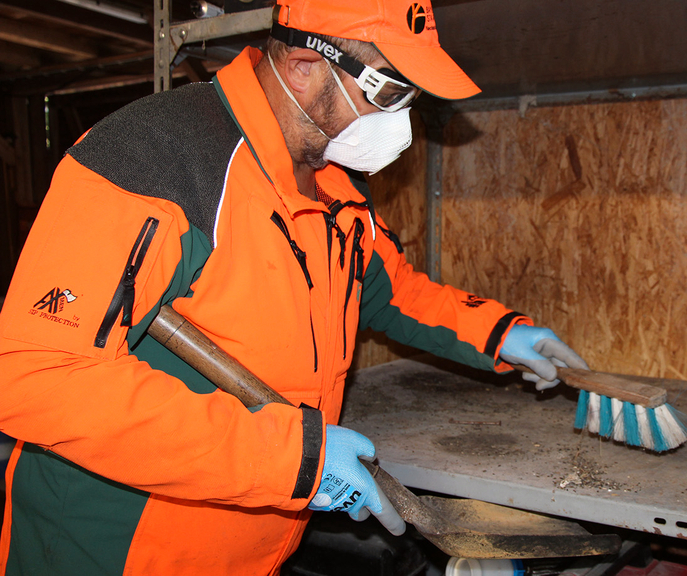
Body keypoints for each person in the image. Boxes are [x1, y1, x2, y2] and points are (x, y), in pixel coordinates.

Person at [0, 0, 588, 573]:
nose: (403, 125)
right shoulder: (155, 158)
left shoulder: (333, 183)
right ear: (304, 67)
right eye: (387, 92)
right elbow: (37, 376)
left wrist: (499, 334)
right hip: (115, 552)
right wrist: (293, 460)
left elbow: (388, 292)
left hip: (252, 551)